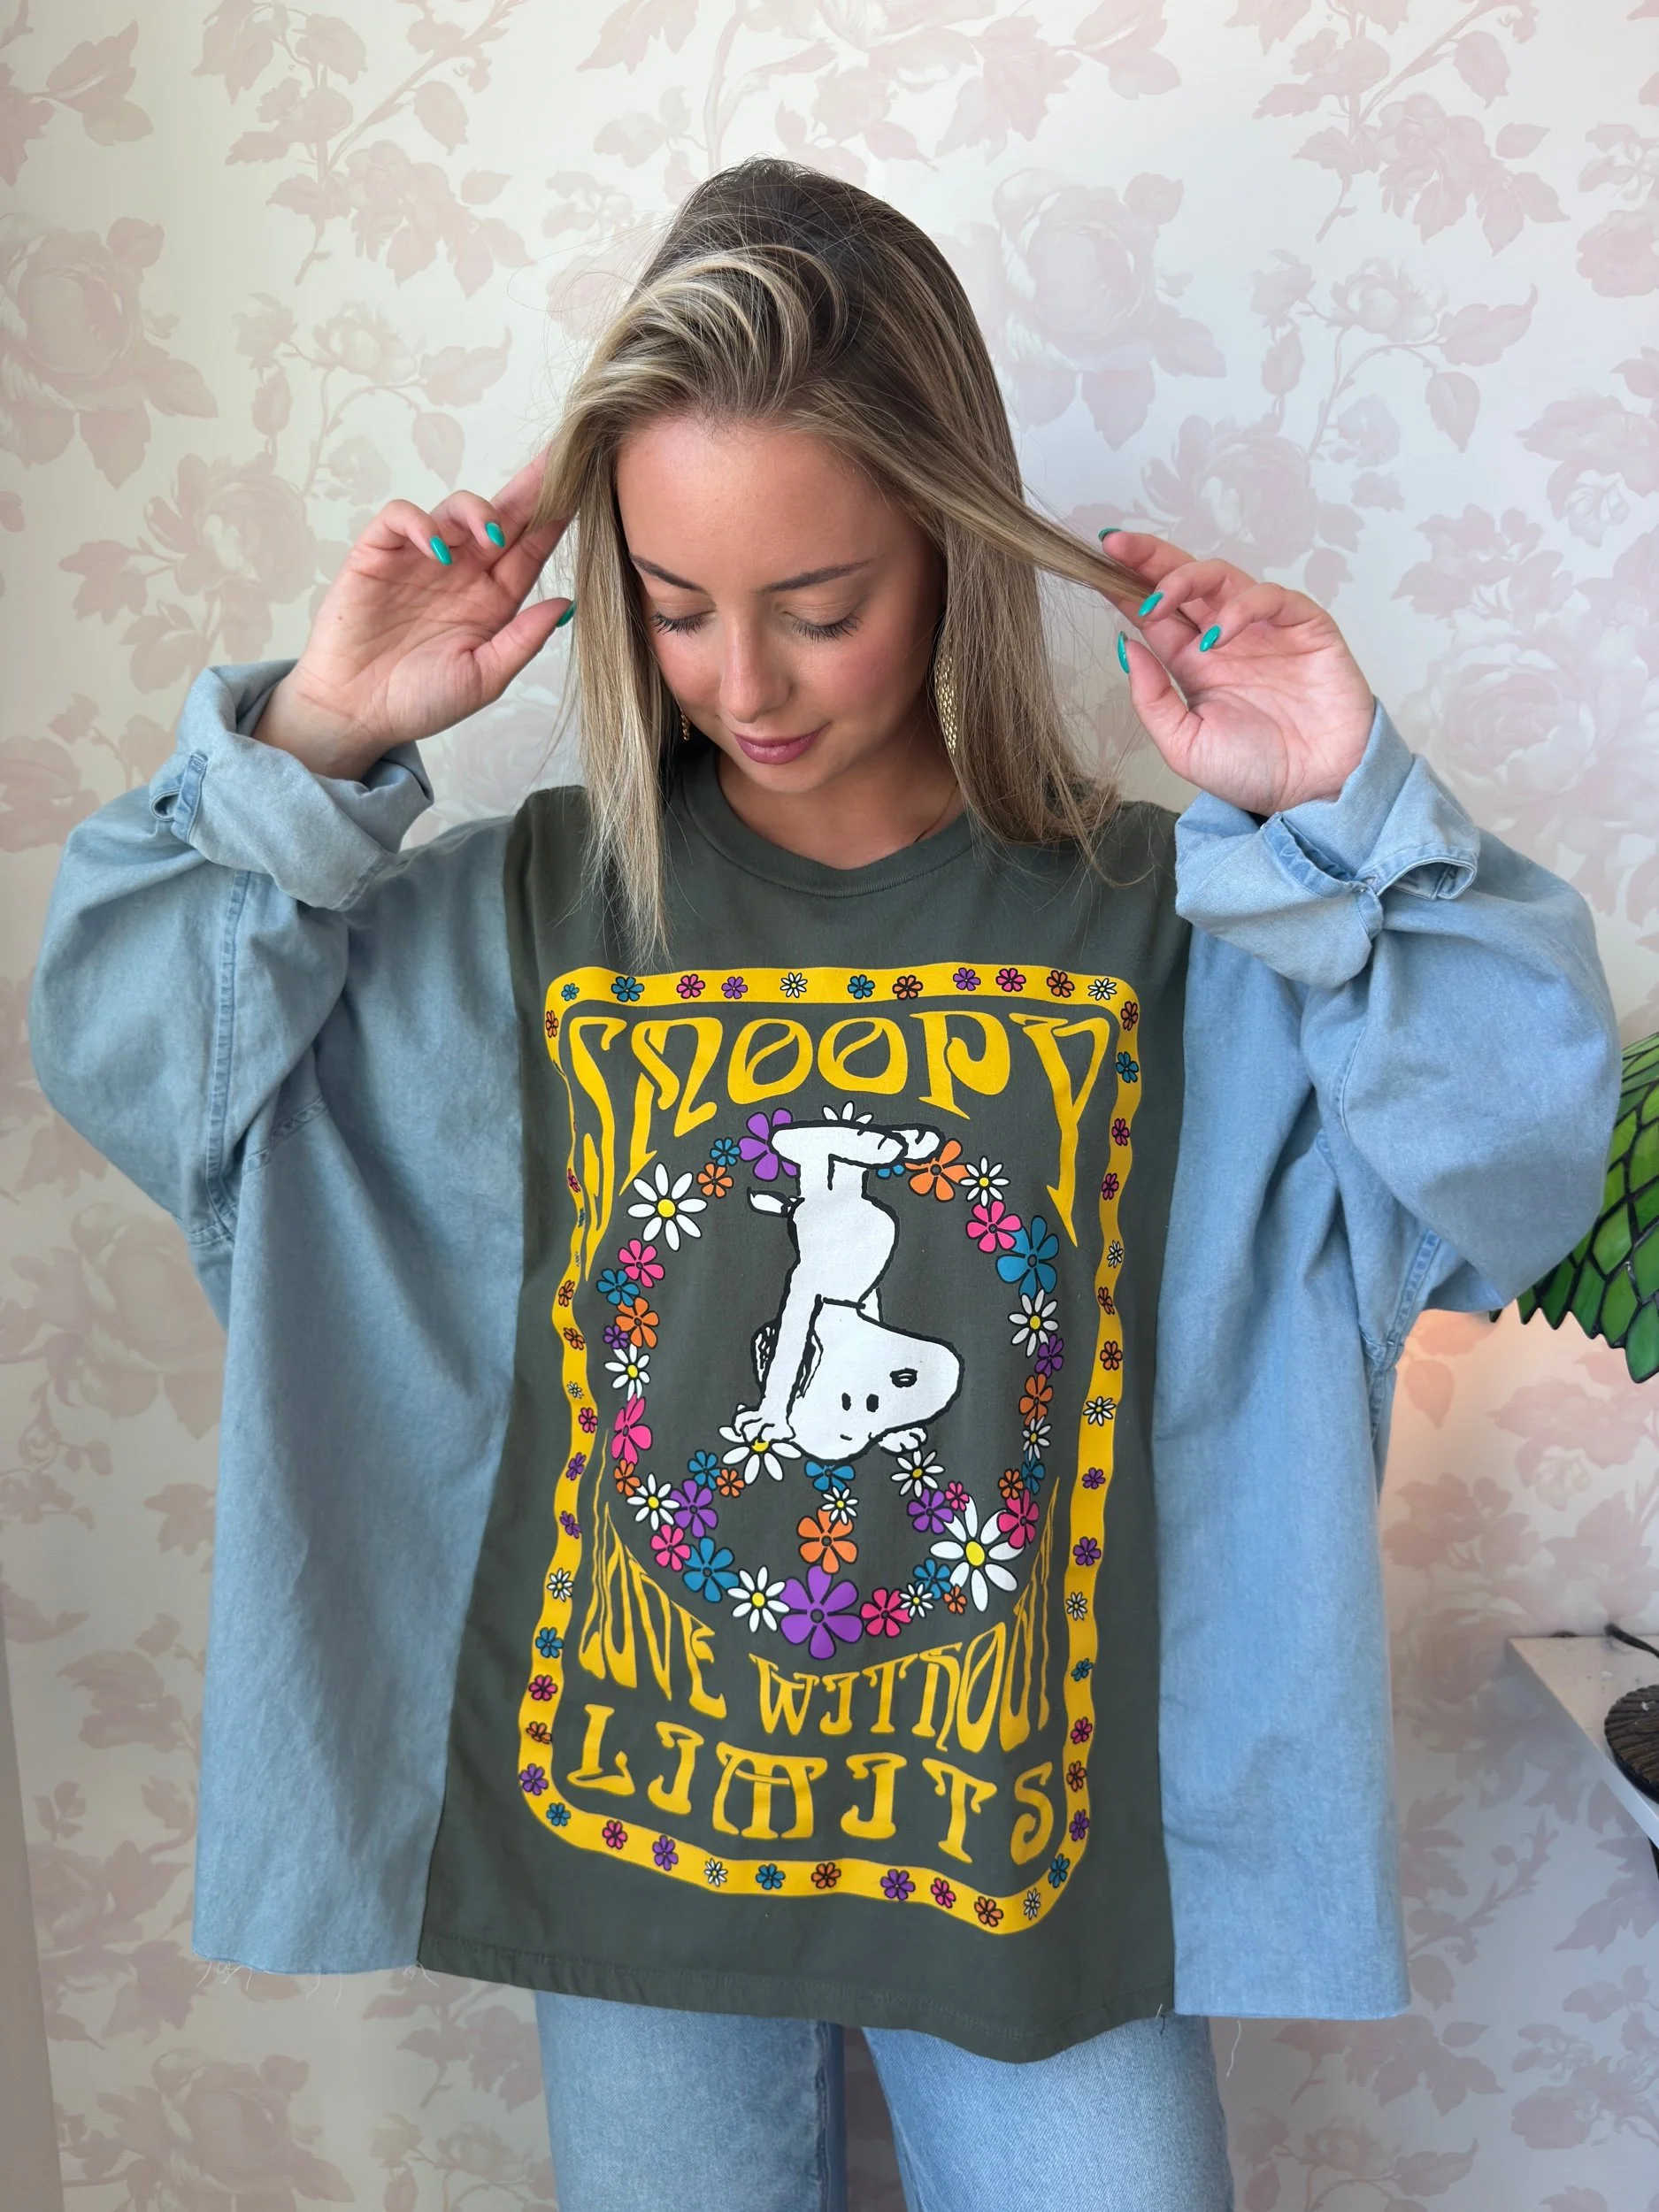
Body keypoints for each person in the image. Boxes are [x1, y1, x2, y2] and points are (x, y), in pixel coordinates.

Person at [30, 158, 1618, 2212]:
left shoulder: (1182, 934)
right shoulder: (510, 929)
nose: (744, 685)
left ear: (951, 547)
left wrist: (1340, 797)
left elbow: (1511, 1151)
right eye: (675, 604)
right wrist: (322, 736)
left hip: (1039, 1864)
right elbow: (138, 1055)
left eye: (819, 604)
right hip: (628, 1846)